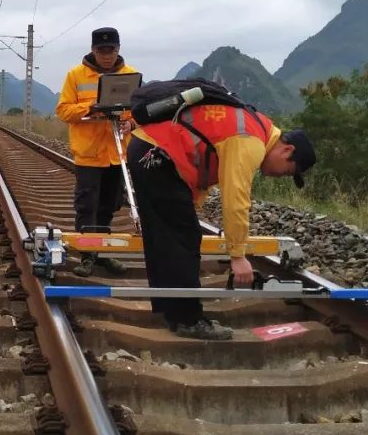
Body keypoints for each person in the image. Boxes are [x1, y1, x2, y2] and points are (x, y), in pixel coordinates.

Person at [127, 97, 315, 339]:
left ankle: (172, 309)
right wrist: (238, 256)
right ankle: (187, 319)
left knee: (166, 236)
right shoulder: (251, 141)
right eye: (288, 171)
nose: (281, 176)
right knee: (183, 239)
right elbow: (236, 200)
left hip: (150, 150)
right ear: (287, 150)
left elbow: (202, 163)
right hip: (159, 155)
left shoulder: (254, 125)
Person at [55, 27, 138, 276]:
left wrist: (131, 123)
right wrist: (90, 109)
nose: (106, 55)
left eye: (110, 49)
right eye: (101, 50)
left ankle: (100, 254)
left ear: (118, 49)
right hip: (89, 154)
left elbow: (138, 111)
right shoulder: (76, 75)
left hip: (116, 153)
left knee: (108, 206)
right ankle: (88, 255)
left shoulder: (131, 75)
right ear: (93, 50)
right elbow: (63, 110)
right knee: (87, 205)